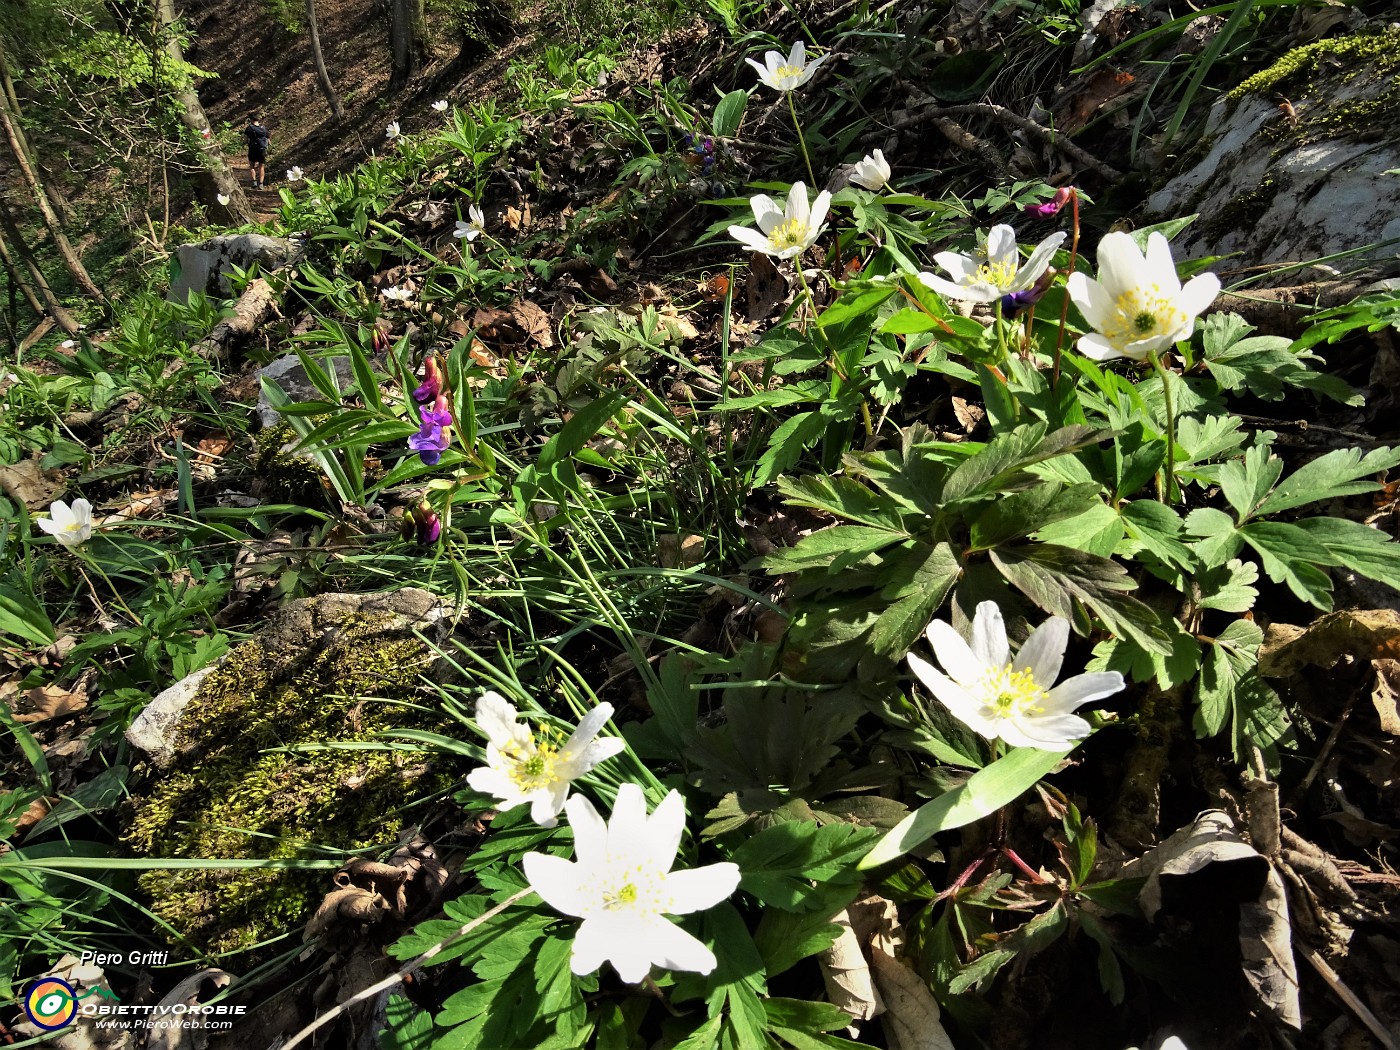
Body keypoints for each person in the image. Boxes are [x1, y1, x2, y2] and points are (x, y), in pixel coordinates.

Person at [243, 117, 270, 189]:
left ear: (251, 120)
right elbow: (268, 140)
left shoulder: (249, 128)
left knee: (252, 166)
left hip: (252, 149)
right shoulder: (263, 128)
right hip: (262, 150)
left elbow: (245, 140)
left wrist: (246, 143)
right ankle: (261, 184)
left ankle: (254, 182)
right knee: (261, 167)